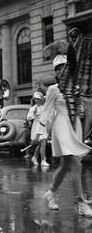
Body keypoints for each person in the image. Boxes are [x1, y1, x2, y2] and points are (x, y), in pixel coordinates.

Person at [41, 54, 92, 216]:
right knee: (76, 164)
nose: (62, 71)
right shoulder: (53, 89)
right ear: (56, 73)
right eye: (59, 68)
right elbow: (47, 111)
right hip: (61, 125)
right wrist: (41, 132)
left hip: (74, 125)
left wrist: (81, 107)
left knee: (65, 165)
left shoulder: (76, 89)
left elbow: (82, 110)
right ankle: (81, 202)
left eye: (64, 67)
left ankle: (50, 193)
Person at [27, 92, 49, 167]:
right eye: (36, 99)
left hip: (44, 126)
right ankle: (43, 160)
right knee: (43, 143)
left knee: (40, 144)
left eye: (38, 99)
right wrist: (34, 114)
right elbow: (28, 117)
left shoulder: (45, 107)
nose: (37, 100)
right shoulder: (33, 108)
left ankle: (35, 157)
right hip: (37, 126)